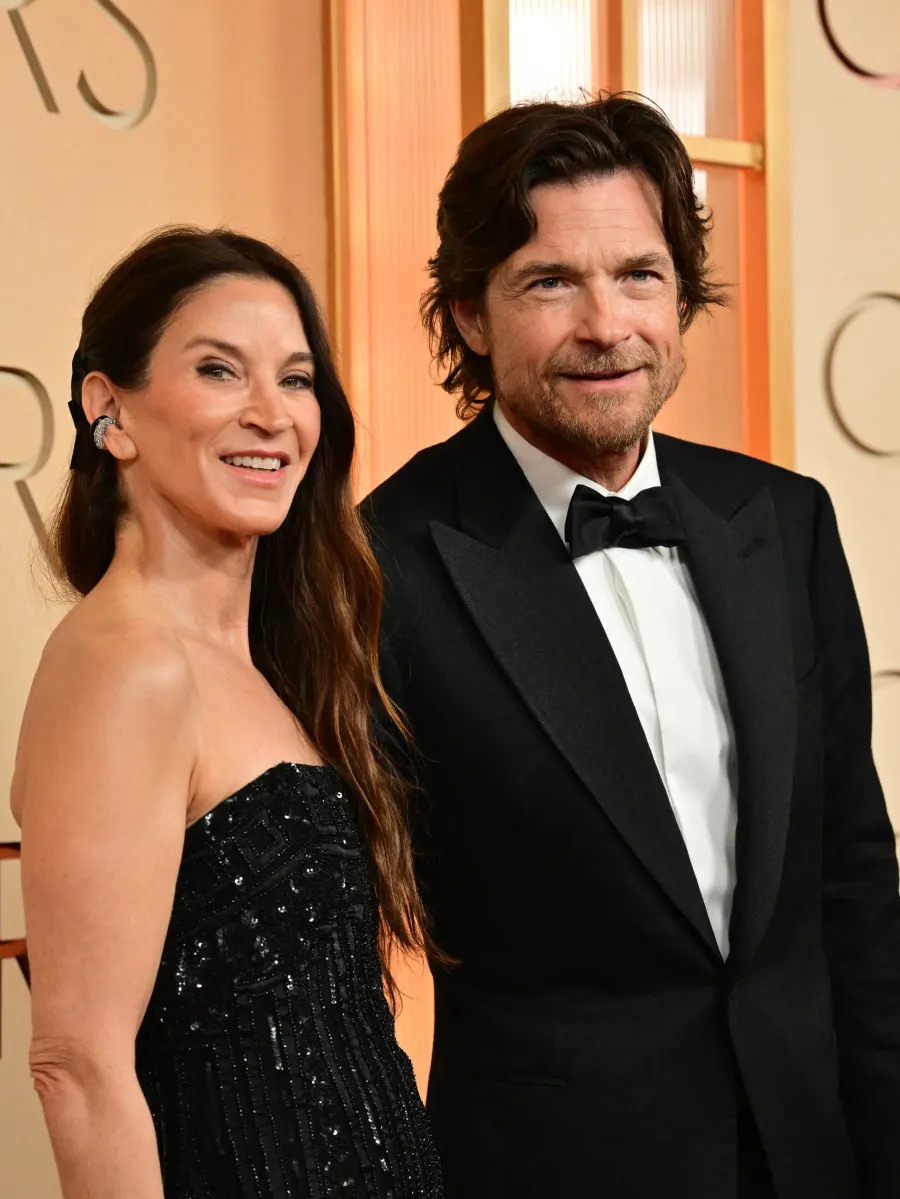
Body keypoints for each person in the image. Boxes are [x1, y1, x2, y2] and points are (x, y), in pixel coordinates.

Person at [361, 96, 900, 1199]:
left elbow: (852, 881)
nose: (608, 324)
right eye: (551, 281)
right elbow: (331, 959)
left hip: (811, 1154)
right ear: (469, 313)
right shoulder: (381, 564)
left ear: (683, 293)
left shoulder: (783, 519)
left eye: (641, 275)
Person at [12, 227, 443, 1199]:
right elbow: (77, 1067)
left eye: (296, 380)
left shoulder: (274, 664)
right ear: (108, 410)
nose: (272, 415)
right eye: (219, 370)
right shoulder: (127, 664)